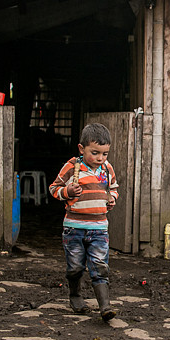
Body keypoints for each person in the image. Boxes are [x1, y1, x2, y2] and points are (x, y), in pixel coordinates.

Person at [49, 123, 119, 321]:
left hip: (99, 228)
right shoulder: (72, 167)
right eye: (95, 153)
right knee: (75, 267)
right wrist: (67, 192)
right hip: (74, 228)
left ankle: (105, 306)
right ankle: (75, 295)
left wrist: (112, 198)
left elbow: (113, 188)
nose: (100, 158)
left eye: (104, 154)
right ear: (82, 149)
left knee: (100, 266)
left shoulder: (107, 169)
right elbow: (54, 188)